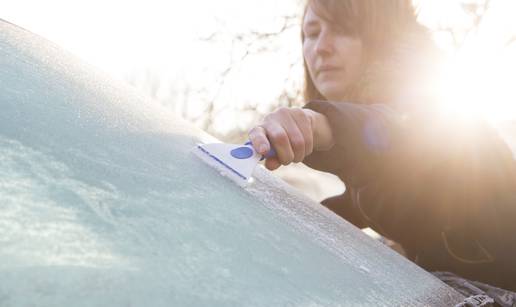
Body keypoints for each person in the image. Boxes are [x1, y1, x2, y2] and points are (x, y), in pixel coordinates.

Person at [248, 0, 516, 296]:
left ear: (383, 35)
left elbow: (400, 132)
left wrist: (319, 124)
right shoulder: (375, 151)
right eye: (311, 33)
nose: (321, 47)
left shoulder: (427, 103)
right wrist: (299, 218)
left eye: (342, 29)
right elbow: (379, 194)